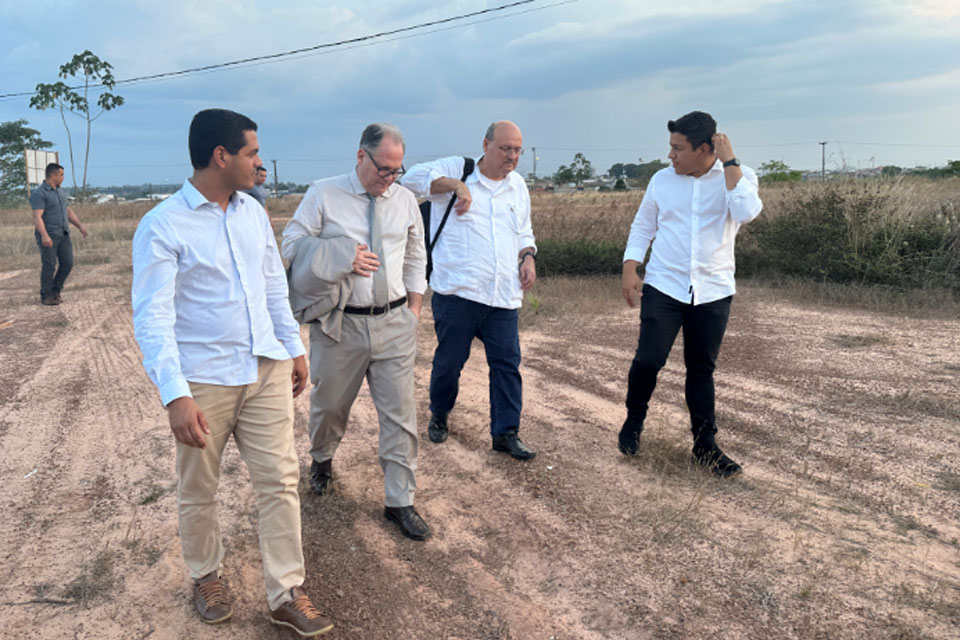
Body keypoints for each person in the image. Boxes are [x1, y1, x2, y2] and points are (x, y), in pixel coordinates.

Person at [132, 108, 333, 636]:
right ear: (220, 156)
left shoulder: (252, 214)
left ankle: (285, 591)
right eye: (252, 153)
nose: (259, 162)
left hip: (265, 370)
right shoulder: (163, 225)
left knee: (280, 481)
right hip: (205, 381)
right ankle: (205, 575)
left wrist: (294, 348)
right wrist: (175, 394)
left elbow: (272, 286)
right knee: (199, 486)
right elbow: (152, 317)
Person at [281, 123, 431, 541]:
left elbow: (416, 254)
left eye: (397, 171)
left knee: (401, 416)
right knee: (329, 405)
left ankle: (400, 501)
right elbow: (291, 246)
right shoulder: (324, 195)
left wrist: (414, 306)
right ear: (361, 156)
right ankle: (322, 460)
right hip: (339, 323)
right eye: (384, 169)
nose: (390, 179)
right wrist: (339, 255)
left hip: (395, 321)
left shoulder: (404, 201)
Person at [618, 110, 762, 477]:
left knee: (701, 369)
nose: (671, 156)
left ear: (704, 148)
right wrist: (630, 267)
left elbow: (745, 211)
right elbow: (643, 225)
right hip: (664, 284)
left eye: (678, 148)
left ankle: (705, 446)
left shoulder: (738, 178)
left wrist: (730, 162)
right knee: (649, 359)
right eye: (670, 147)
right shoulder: (662, 181)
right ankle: (634, 422)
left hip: (713, 289)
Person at [401, 120, 538, 461]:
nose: (512, 156)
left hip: (502, 296)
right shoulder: (457, 169)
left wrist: (528, 256)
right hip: (458, 294)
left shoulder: (517, 186)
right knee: (449, 364)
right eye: (505, 148)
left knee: (507, 365)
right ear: (486, 144)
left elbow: (524, 231)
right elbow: (411, 179)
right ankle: (440, 413)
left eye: (518, 149)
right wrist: (457, 186)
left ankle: (506, 432)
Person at [30, 163, 87, 306]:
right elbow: (37, 216)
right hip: (49, 233)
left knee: (67, 263)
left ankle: (55, 291)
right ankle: (46, 295)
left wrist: (80, 226)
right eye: (61, 175)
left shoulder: (60, 192)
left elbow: (68, 211)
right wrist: (44, 235)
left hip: (64, 233)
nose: (63, 178)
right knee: (49, 265)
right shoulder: (39, 193)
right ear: (53, 175)